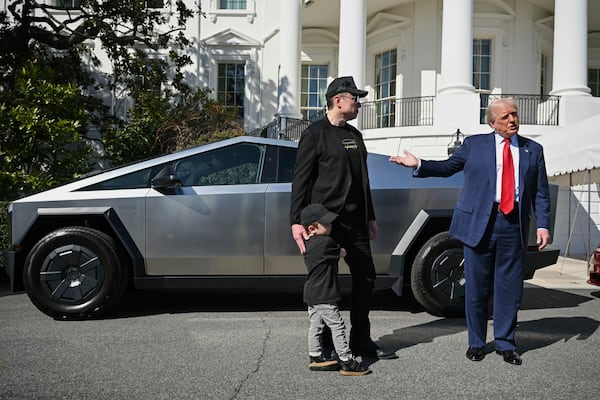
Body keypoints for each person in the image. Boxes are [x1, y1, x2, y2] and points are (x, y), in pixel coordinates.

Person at [389, 98, 551, 366]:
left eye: (514, 115)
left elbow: (541, 192)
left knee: (509, 289)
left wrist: (543, 225)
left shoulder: (533, 149)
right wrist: (419, 164)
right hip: (480, 224)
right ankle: (476, 342)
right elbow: (447, 167)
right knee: (476, 288)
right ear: (492, 123)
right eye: (505, 117)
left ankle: (506, 343)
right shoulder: (475, 145)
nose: (512, 120)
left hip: (513, 225)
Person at [290, 76, 396, 360]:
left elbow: (364, 180)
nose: (358, 103)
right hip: (325, 224)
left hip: (356, 221)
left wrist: (370, 216)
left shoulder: (354, 135)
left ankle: (361, 339)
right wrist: (297, 222)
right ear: (338, 100)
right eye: (354, 98)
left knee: (366, 278)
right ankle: (326, 346)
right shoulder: (314, 134)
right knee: (326, 284)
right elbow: (300, 181)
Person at [300, 203, 371, 376]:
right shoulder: (327, 243)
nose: (331, 226)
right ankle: (346, 360)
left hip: (311, 293)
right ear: (312, 228)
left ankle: (315, 356)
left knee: (316, 326)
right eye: (326, 224)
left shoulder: (307, 244)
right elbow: (344, 252)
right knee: (337, 326)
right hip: (325, 294)